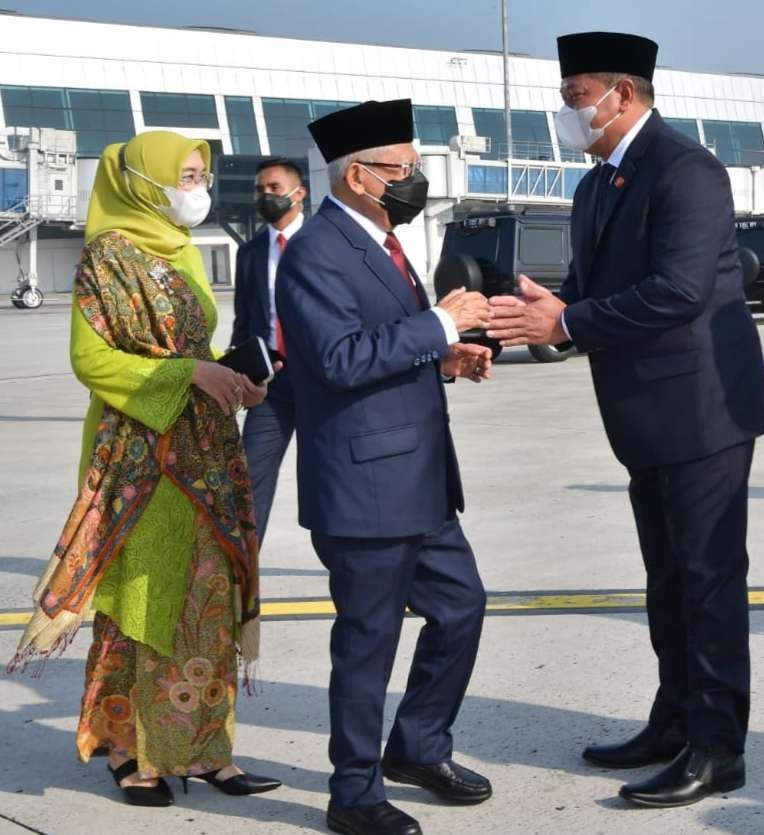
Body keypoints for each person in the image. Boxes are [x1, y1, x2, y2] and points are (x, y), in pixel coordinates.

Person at [486, 32, 764, 809]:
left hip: (702, 406)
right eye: (567, 96)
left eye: (577, 95)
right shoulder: (596, 183)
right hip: (643, 412)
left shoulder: (686, 170)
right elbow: (584, 288)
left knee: (708, 580)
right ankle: (671, 718)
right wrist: (532, 312)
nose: (569, 110)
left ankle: (717, 748)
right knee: (667, 577)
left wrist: (567, 323)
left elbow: (679, 290)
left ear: (624, 94)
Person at [7, 131, 281, 806]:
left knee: (208, 597)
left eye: (199, 174)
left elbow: (193, 342)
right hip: (141, 453)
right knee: (142, 601)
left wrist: (233, 375)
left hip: (205, 451)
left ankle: (207, 748)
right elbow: (92, 360)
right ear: (143, 179)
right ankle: (132, 751)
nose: (196, 186)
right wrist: (190, 372)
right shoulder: (106, 255)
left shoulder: (182, 247)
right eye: (184, 173)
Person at [275, 99, 496, 835]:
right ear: (358, 175)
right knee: (367, 642)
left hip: (420, 480)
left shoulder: (384, 241)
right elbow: (336, 360)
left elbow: (383, 343)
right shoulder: (315, 252)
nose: (415, 179)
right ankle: (353, 791)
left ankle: (418, 745)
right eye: (402, 169)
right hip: (364, 486)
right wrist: (440, 323)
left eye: (416, 167)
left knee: (462, 605)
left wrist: (443, 354)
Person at [230, 157, 308, 543]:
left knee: (330, 477)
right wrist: (239, 372)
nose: (265, 196)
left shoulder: (327, 242)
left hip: (322, 379)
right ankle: (242, 574)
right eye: (260, 189)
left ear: (299, 193)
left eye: (274, 188)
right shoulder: (250, 252)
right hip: (271, 383)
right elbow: (243, 320)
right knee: (248, 478)